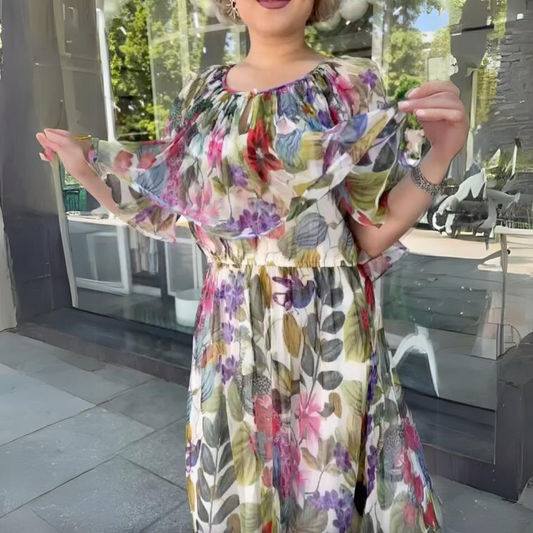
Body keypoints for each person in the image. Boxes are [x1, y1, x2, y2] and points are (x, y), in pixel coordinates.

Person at [37, 0, 468, 530]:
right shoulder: (200, 95)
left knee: (327, 495)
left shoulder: (353, 85)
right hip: (229, 334)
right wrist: (85, 169)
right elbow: (162, 206)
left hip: (329, 334)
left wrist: (439, 156)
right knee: (238, 492)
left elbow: (370, 233)